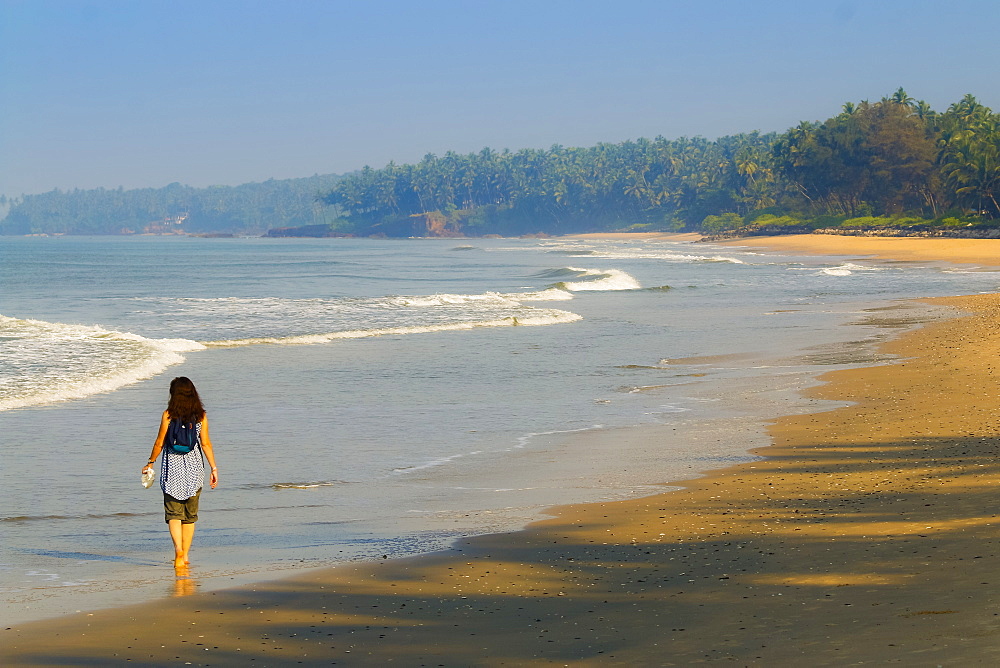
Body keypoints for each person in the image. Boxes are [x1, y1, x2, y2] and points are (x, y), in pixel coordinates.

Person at [142, 377, 218, 569]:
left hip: (172, 469)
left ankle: (178, 551)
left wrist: (150, 463)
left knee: (174, 514)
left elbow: (159, 442)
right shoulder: (201, 416)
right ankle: (185, 556)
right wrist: (213, 468)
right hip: (194, 470)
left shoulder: (168, 415)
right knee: (189, 516)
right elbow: (206, 443)